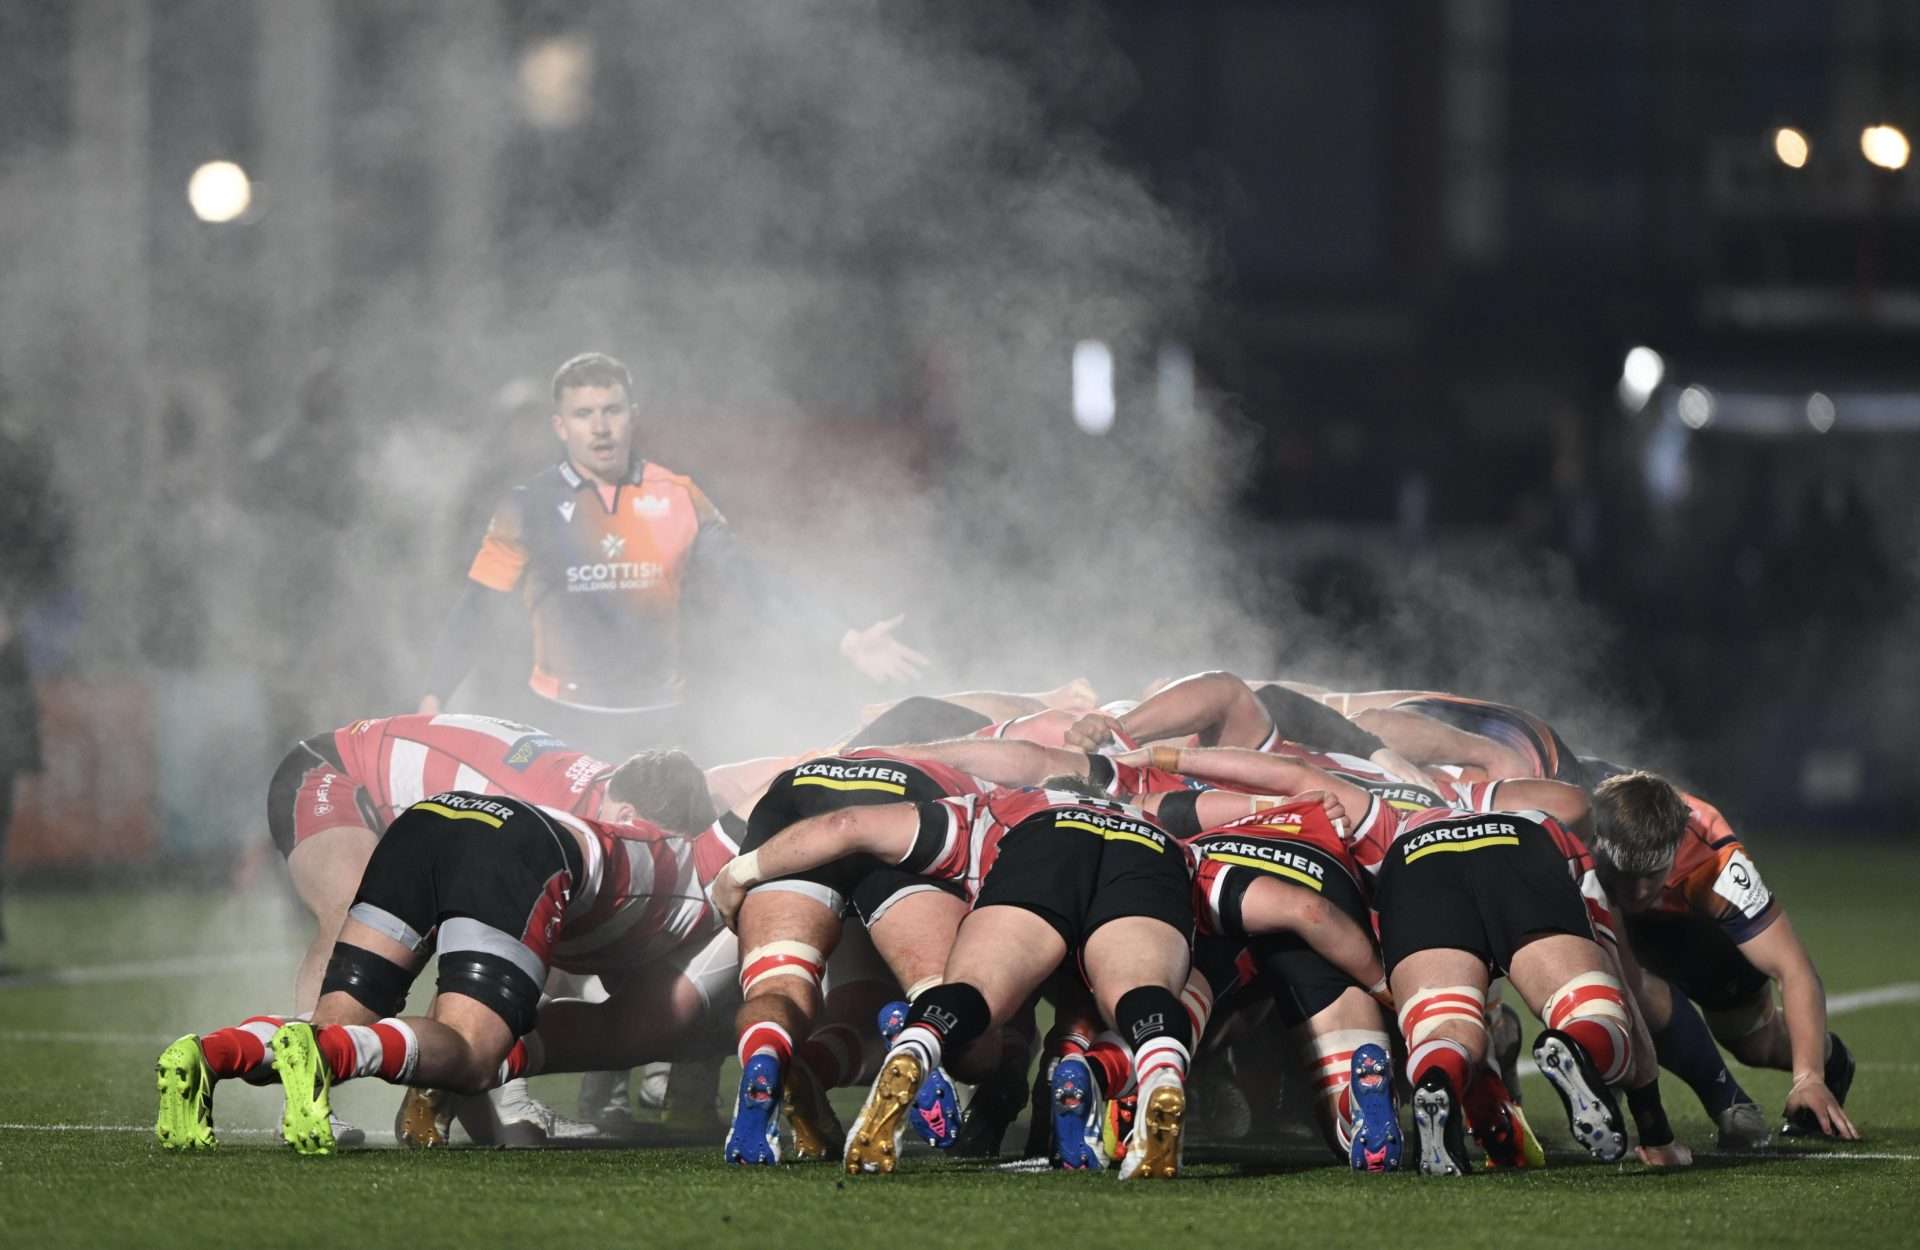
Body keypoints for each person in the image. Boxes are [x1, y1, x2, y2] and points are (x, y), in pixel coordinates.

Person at [155, 790, 728, 1154]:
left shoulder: (605, 841)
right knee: (474, 1051)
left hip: (431, 818)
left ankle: (211, 1055)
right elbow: (488, 1033)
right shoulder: (705, 858)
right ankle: (327, 1054)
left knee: (339, 1018)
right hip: (517, 848)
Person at [418, 351, 929, 759]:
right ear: (562, 426)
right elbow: (477, 607)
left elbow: (750, 581)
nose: (600, 428)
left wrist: (843, 637)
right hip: (558, 728)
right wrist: (435, 696)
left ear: (631, 417)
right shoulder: (524, 507)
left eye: (611, 411)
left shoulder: (678, 496)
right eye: (584, 415)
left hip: (660, 729)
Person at [1588, 770, 1859, 1141]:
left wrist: (1808, 1075)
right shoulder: (1579, 820)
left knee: (1752, 1043)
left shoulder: (1716, 862)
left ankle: (1833, 1060)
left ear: (1675, 848)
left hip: (1699, 930)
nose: (1637, 891)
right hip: (1620, 920)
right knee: (1604, 975)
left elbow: (1793, 969)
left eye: (1650, 875)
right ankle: (1725, 1099)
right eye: (1625, 873)